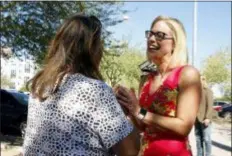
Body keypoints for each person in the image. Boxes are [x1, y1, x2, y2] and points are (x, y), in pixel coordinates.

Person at [23, 14, 139, 156]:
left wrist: (115, 112)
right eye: (100, 43)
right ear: (92, 49)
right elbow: (130, 151)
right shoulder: (96, 91)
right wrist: (133, 113)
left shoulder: (40, 85)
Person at [115, 15, 202, 156]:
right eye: (150, 34)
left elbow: (184, 126)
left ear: (175, 42)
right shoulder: (146, 79)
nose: (151, 39)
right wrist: (129, 108)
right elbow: (143, 126)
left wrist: (139, 111)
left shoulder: (187, 74)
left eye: (160, 35)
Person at [195, 76, 213, 156]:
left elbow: (210, 105)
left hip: (205, 119)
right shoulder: (195, 92)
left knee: (206, 139)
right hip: (196, 119)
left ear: (203, 80)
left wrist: (208, 118)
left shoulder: (208, 91)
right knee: (198, 140)